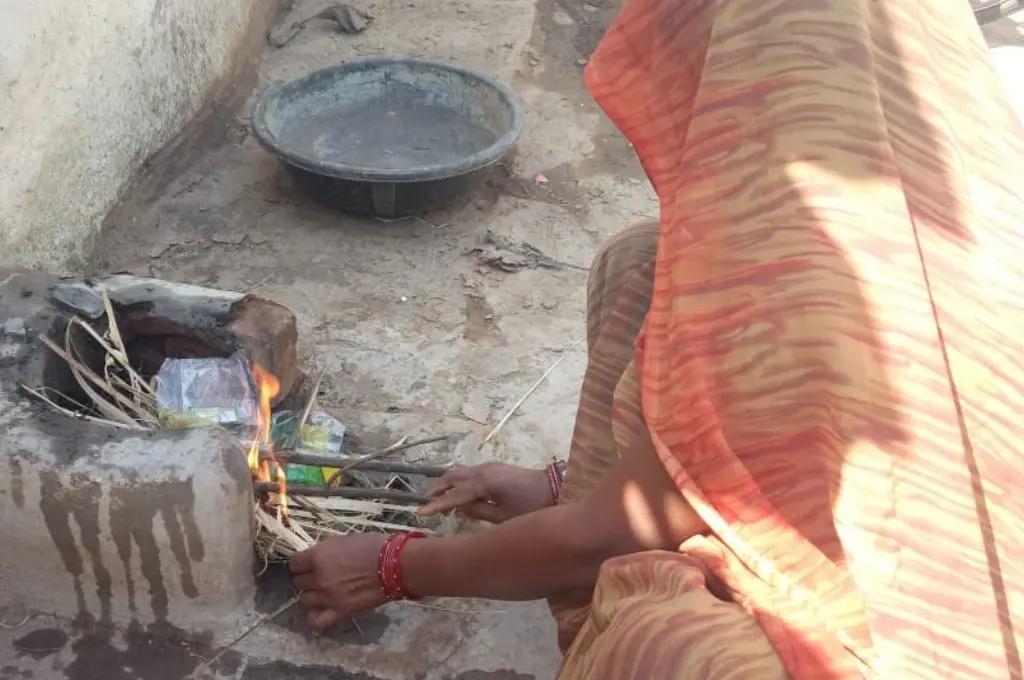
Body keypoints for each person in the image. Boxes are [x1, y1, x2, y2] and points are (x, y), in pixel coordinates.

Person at [290, 0, 1024, 676]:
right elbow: (758, 442)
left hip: (926, 638)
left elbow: (604, 539)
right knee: (646, 265)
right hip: (856, 529)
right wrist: (563, 488)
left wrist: (391, 567)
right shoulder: (933, 159)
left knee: (670, 644)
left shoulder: (799, 278)